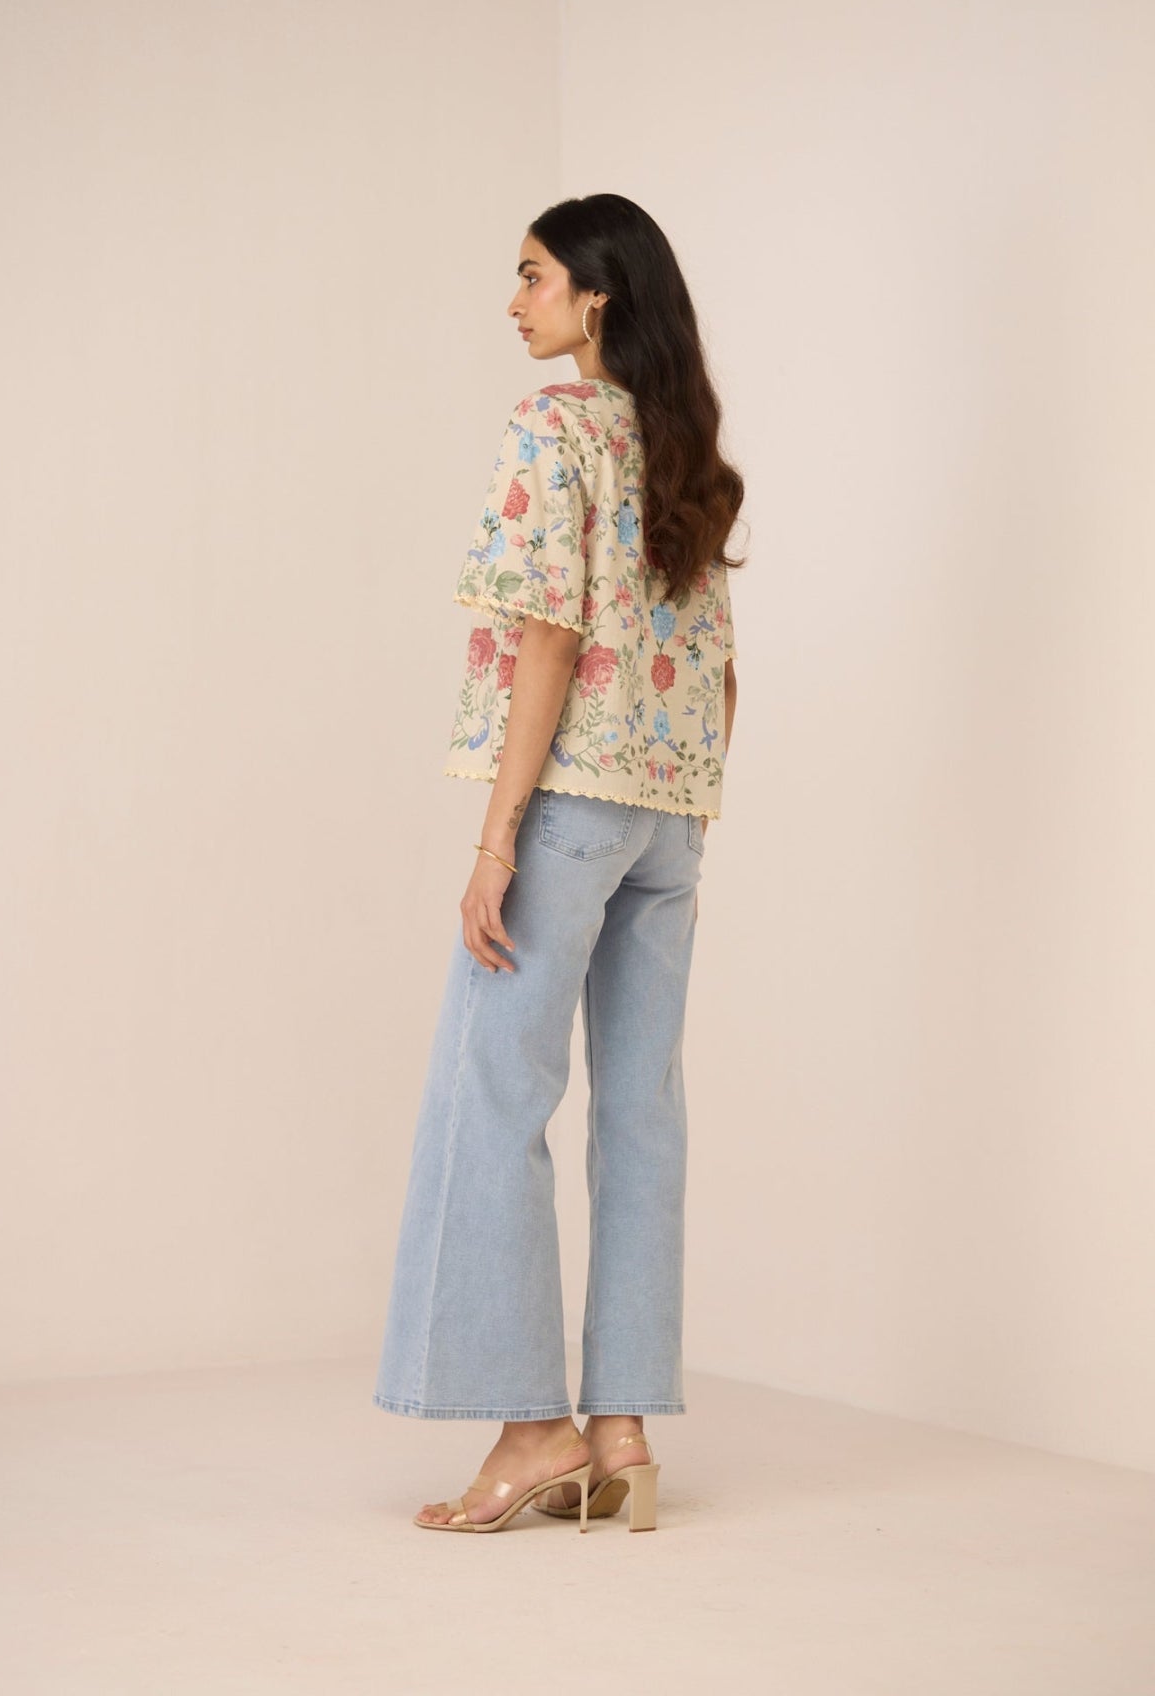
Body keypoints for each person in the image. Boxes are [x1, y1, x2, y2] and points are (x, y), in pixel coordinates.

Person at [372, 193, 745, 1534]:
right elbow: (722, 669)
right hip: (671, 817)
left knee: (492, 1098)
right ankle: (624, 1429)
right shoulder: (682, 445)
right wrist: (680, 802)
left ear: (597, 295)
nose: (514, 301)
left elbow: (546, 635)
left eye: (533, 277)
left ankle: (533, 1431)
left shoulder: (557, 427)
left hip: (573, 804)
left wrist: (498, 840)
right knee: (641, 1111)